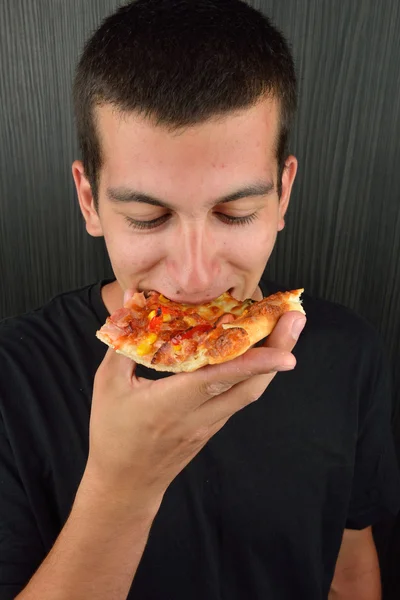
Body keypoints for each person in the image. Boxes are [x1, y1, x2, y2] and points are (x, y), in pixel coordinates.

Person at [1, 0, 399, 598]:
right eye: (148, 216)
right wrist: (121, 489)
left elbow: (350, 565)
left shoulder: (350, 352)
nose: (193, 277)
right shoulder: (12, 379)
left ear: (284, 193)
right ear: (89, 201)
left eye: (235, 214)